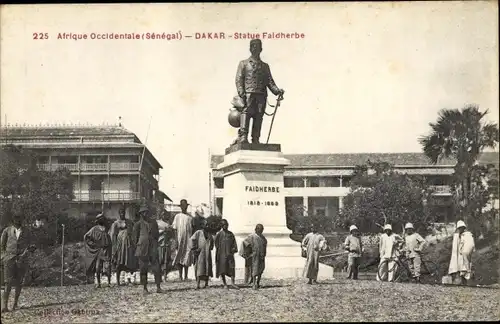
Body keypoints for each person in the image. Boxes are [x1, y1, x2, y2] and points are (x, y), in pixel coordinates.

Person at [233, 39, 285, 144]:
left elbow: (270, 82)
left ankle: (255, 139)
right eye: (253, 46)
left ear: (261, 49)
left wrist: (277, 91)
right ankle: (243, 136)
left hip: (261, 95)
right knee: (246, 114)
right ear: (250, 49)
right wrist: (242, 93)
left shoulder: (265, 66)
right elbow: (239, 79)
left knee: (259, 116)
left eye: (257, 46)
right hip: (248, 95)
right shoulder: (243, 64)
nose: (255, 48)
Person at [1, 214, 36, 312]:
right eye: (16, 219)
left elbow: (32, 245)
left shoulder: (27, 232)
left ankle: (15, 304)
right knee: (8, 283)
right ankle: (4, 306)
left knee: (19, 283)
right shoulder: (6, 231)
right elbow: (2, 246)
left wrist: (29, 250)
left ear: (22, 220)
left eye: (20, 219)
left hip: (22, 259)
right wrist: (4, 257)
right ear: (13, 220)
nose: (18, 221)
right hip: (9, 260)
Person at [133, 205, 162, 294]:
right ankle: (145, 288)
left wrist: (154, 243)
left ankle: (158, 287)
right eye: (143, 212)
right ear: (141, 214)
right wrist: (139, 245)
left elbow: (157, 235)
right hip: (142, 248)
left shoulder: (153, 223)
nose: (145, 214)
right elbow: (134, 238)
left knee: (156, 267)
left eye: (146, 212)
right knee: (143, 268)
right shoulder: (138, 224)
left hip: (152, 247)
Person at [109, 206, 137, 286]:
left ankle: (129, 280)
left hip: (128, 244)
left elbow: (133, 232)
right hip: (120, 244)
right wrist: (114, 247)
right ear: (119, 214)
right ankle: (118, 281)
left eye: (123, 213)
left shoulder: (129, 222)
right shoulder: (116, 223)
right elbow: (113, 235)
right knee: (119, 261)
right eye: (121, 213)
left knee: (128, 261)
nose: (122, 214)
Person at [84, 213, 112, 288]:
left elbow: (109, 239)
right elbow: (86, 237)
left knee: (108, 267)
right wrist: (93, 244)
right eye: (100, 219)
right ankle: (99, 283)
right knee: (97, 268)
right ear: (97, 220)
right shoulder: (94, 229)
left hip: (106, 250)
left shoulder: (106, 229)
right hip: (99, 251)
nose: (101, 220)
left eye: (102, 219)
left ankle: (109, 283)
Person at [240, 224, 267, 289]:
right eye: (259, 229)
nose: (260, 230)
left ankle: (258, 283)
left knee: (260, 270)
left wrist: (264, 254)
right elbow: (245, 243)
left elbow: (265, 245)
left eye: (261, 229)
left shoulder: (263, 238)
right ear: (256, 229)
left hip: (261, 256)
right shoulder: (252, 236)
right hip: (254, 256)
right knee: (254, 270)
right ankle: (254, 284)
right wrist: (248, 253)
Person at [448, 220, 475, 285]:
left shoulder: (463, 235)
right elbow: (472, 245)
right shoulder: (469, 234)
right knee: (466, 265)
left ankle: (465, 278)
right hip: (468, 252)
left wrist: (460, 250)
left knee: (464, 265)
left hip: (464, 252)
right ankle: (465, 279)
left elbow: (463, 244)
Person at [172, 199, 194, 280]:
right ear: (181, 207)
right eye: (182, 206)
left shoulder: (190, 217)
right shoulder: (177, 216)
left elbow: (192, 229)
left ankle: (186, 276)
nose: (184, 207)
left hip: (188, 239)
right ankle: (180, 276)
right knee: (180, 256)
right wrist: (176, 240)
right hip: (179, 239)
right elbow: (174, 228)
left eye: (185, 206)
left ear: (187, 207)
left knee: (187, 256)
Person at [214, 219, 239, 289]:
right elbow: (216, 244)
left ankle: (233, 283)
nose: (226, 226)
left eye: (226, 224)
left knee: (232, 268)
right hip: (222, 255)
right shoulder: (219, 234)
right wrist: (220, 251)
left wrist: (233, 249)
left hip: (230, 254)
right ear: (222, 226)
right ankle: (225, 284)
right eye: (224, 225)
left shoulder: (231, 234)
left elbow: (234, 243)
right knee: (222, 269)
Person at [191, 221, 214, 289]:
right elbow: (192, 239)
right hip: (200, 254)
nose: (207, 226)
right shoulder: (198, 232)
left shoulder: (210, 234)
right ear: (202, 225)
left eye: (208, 225)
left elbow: (212, 245)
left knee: (207, 267)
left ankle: (206, 284)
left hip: (207, 253)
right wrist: (194, 249)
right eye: (205, 225)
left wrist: (210, 246)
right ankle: (197, 284)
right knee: (199, 268)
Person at [157, 210, 176, 282]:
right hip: (160, 243)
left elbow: (171, 233)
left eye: (165, 214)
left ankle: (165, 276)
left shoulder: (168, 223)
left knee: (166, 260)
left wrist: (169, 231)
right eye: (163, 214)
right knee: (160, 260)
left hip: (167, 244)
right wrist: (163, 231)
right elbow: (155, 232)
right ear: (161, 215)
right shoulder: (157, 222)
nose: (164, 216)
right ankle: (159, 276)